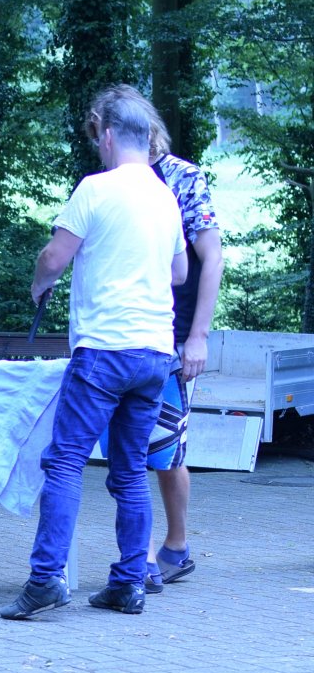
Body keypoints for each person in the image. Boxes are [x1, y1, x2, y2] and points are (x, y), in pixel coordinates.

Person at [0, 85, 187, 620]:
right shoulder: (165, 197)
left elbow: (54, 257)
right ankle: (128, 583)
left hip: (104, 348)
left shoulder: (95, 189)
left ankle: (45, 580)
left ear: (107, 136)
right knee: (129, 471)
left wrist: (40, 284)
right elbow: (179, 272)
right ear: (146, 137)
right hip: (154, 353)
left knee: (64, 462)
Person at [142, 107, 224, 594]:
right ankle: (147, 552)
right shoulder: (109, 180)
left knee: (166, 445)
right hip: (127, 333)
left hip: (171, 335)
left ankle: (174, 547)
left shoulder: (182, 178)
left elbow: (212, 257)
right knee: (139, 445)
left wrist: (198, 336)